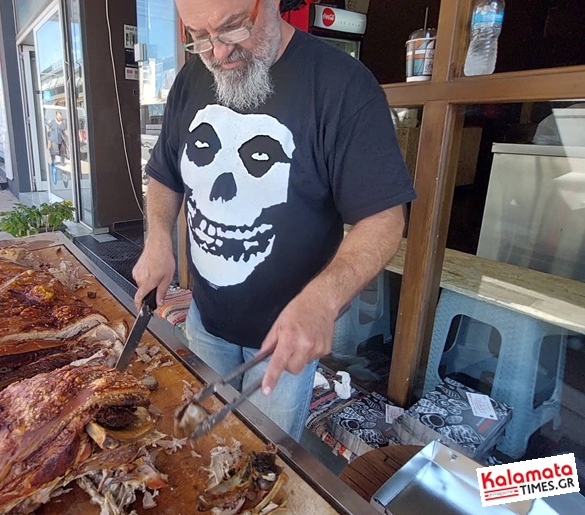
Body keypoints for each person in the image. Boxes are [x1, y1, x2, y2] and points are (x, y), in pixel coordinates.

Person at [133, 0, 416, 440]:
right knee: (194, 449)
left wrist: (323, 299)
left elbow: (383, 219)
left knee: (259, 469)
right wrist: (157, 242)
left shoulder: (342, 86)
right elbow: (164, 175)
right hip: (204, 320)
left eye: (231, 28)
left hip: (286, 344)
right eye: (199, 36)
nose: (218, 53)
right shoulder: (192, 77)